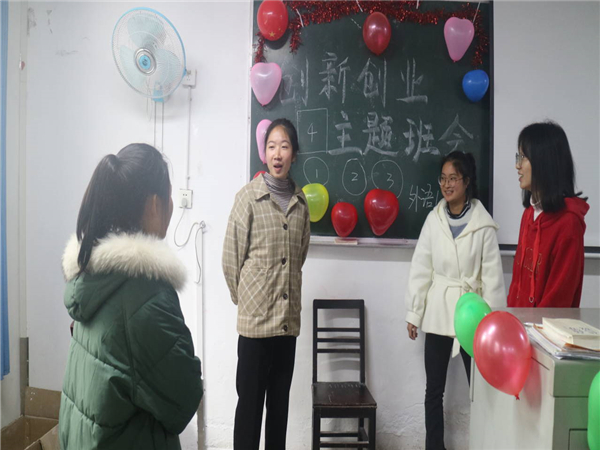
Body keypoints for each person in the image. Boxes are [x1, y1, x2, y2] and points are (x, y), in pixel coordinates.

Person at [59, 144, 203, 450]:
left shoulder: (92, 274)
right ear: (153, 204)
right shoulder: (146, 294)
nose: (172, 205)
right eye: (168, 196)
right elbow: (184, 398)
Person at [405, 151, 505, 450]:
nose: (447, 185)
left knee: (482, 391)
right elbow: (421, 268)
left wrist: (494, 325)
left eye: (453, 178)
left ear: (467, 181)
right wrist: (414, 313)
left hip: (472, 315)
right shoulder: (433, 221)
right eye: (443, 179)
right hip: (438, 312)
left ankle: (486, 444)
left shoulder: (483, 224)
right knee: (433, 391)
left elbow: (493, 277)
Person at [222, 118, 311, 450]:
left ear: (293, 154)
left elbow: (299, 255)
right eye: (271, 146)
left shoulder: (300, 203)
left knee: (279, 410)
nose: (277, 153)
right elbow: (230, 258)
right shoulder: (248, 198)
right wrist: (248, 300)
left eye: (284, 146)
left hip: (286, 326)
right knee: (249, 410)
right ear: (264, 153)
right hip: (255, 327)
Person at [508, 121, 589, 307]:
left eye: (523, 157)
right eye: (518, 157)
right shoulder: (529, 214)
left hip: (546, 326)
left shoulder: (568, 223)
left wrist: (530, 326)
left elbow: (558, 300)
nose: (517, 166)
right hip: (520, 323)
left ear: (543, 161)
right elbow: (517, 284)